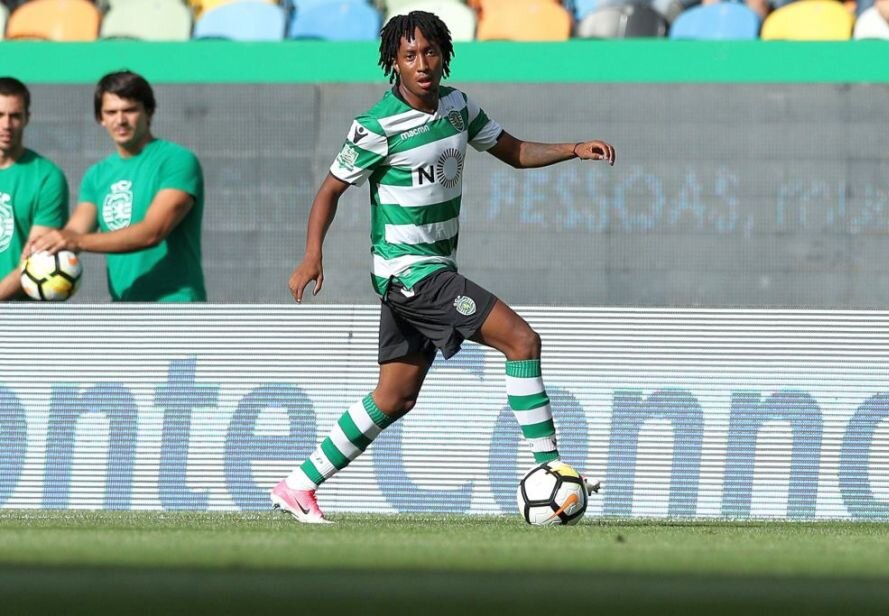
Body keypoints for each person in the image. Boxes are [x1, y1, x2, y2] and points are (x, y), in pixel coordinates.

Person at [271, 11, 616, 523]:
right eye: (410, 55)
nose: (422, 63)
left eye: (430, 52)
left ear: (444, 55)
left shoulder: (458, 107)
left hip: (424, 271)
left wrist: (572, 149)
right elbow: (330, 190)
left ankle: (298, 485)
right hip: (412, 274)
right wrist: (311, 254)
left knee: (394, 397)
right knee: (522, 341)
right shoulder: (376, 126)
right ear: (393, 62)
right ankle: (551, 467)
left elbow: (514, 150)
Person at [28, 71, 206, 302]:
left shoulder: (177, 161)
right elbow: (74, 232)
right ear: (100, 118)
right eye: (111, 112)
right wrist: (45, 246)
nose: (120, 120)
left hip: (175, 306)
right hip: (123, 307)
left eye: (129, 110)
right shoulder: (96, 175)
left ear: (149, 112)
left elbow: (153, 232)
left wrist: (76, 241)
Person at [0, 77, 69, 301]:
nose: (6, 125)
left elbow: (35, 262)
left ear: (27, 118)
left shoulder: (47, 177)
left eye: (15, 116)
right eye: (0, 115)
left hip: (24, 314)